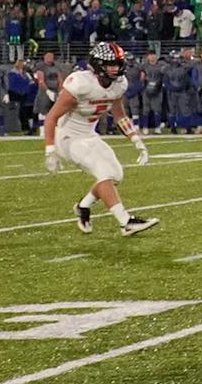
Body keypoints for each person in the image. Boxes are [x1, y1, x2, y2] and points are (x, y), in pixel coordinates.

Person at [44, 41, 157, 237]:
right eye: (110, 64)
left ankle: (83, 206)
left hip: (89, 135)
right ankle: (125, 222)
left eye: (118, 63)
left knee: (116, 175)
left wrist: (137, 141)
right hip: (67, 137)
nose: (115, 68)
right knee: (103, 172)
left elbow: (120, 116)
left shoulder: (118, 85)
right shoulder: (81, 84)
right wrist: (50, 151)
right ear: (98, 65)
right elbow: (51, 117)